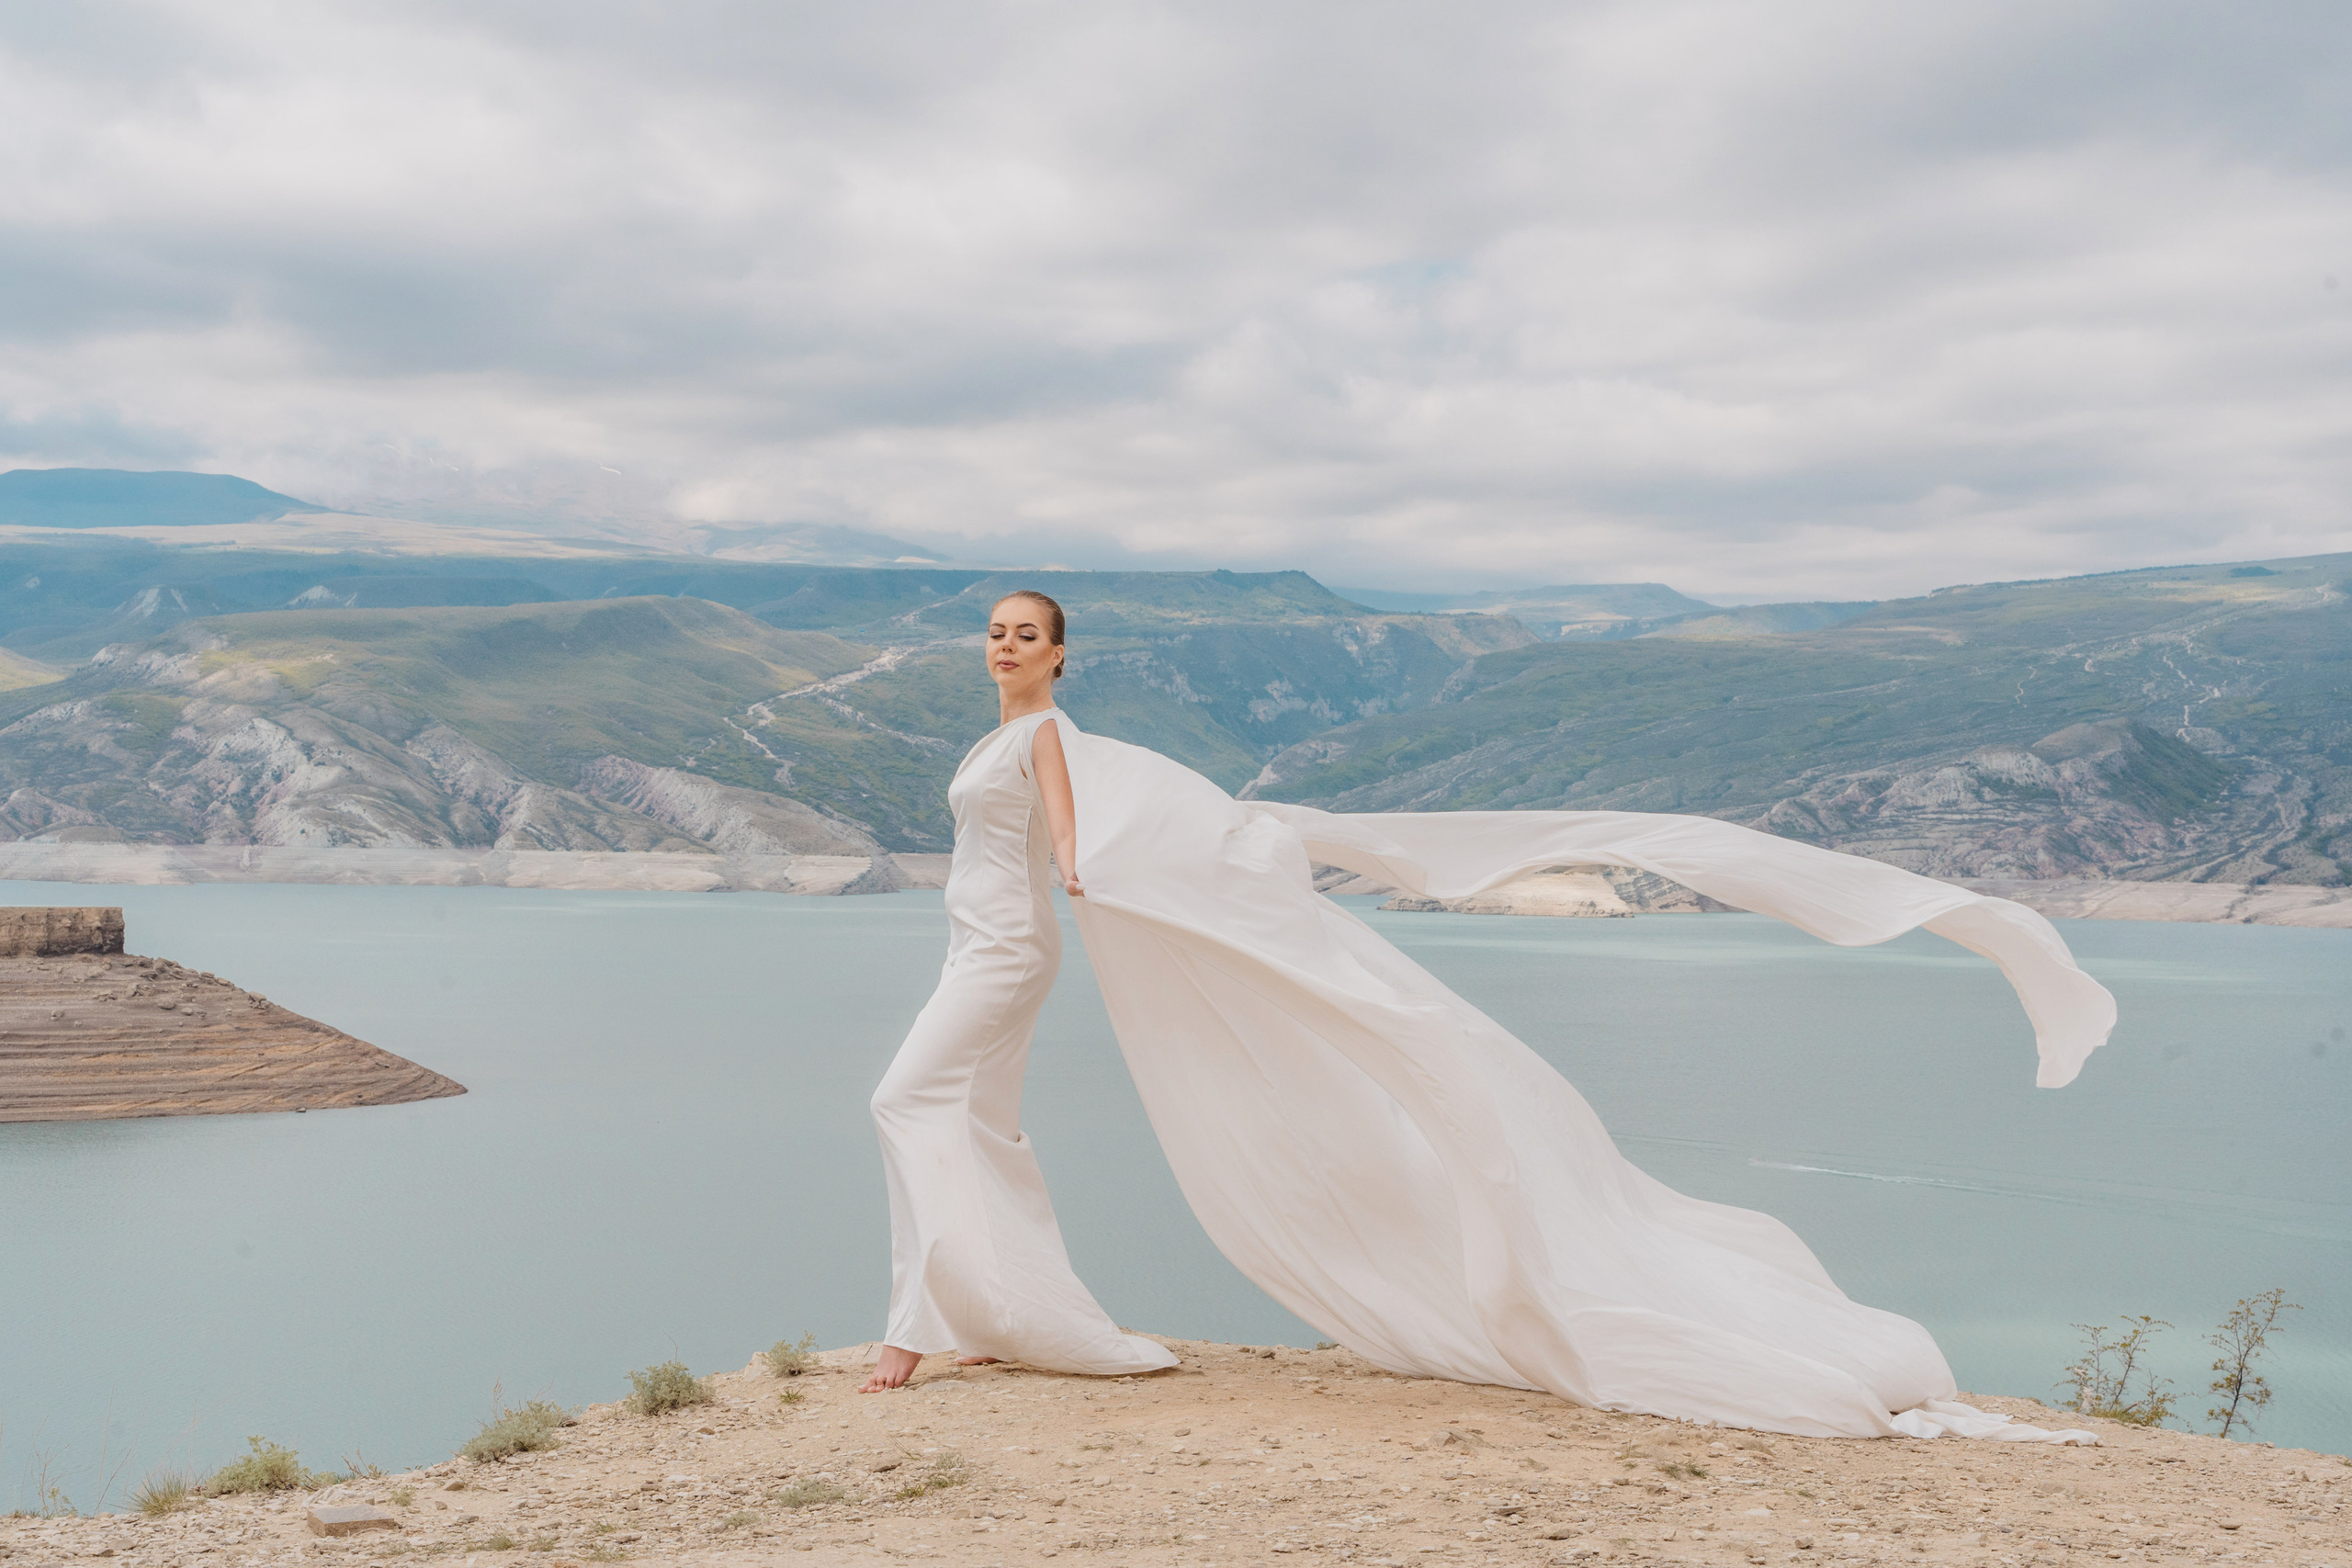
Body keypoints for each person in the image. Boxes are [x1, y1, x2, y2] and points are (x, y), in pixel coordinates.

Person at [860, 590, 2111, 1442]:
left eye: (1028, 634)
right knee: (981, 1118)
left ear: (1063, 654)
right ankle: (1001, 1312)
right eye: (996, 632)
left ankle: (928, 1322)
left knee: (905, 1097)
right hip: (980, 941)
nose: (1007, 646)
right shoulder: (997, 734)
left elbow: (1076, 845)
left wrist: (1133, 881)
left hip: (1007, 951)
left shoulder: (1052, 737)